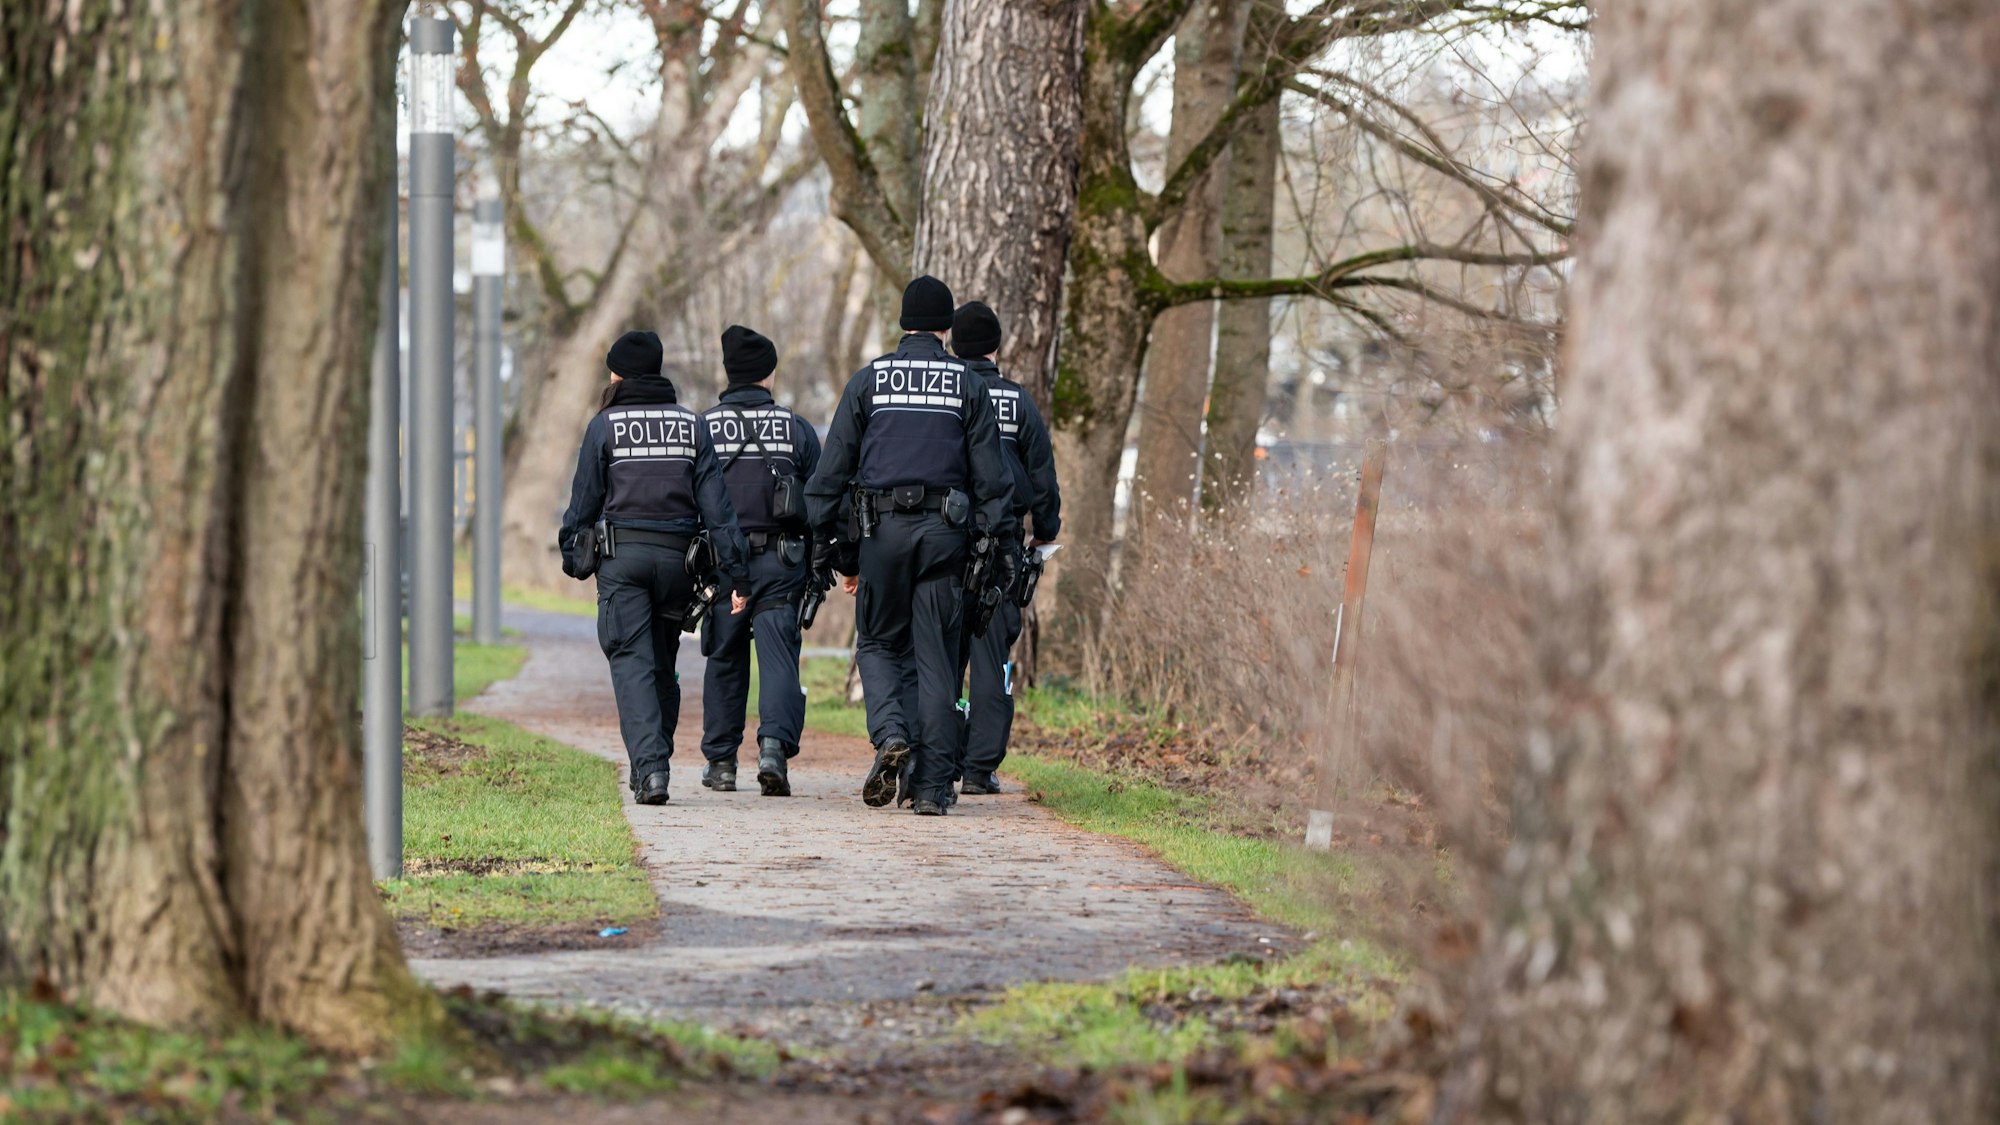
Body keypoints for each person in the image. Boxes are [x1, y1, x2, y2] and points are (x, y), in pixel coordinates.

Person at [805, 276, 1016, 816]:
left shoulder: (868, 381)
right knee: (937, 663)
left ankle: (891, 734)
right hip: (946, 537)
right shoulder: (967, 384)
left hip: (882, 536)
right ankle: (929, 789)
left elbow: (830, 476)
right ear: (946, 326)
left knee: (876, 645)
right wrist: (984, 544)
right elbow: (994, 482)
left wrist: (833, 548)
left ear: (904, 323)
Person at [558, 330, 749, 806]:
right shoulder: (691, 426)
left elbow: (584, 501)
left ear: (617, 374)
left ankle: (651, 768)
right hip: (679, 563)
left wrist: (571, 552)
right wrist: (736, 573)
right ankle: (656, 755)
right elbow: (719, 510)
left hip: (623, 561)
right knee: (663, 662)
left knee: (631, 660)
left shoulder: (604, 426)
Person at [697, 326, 822, 797]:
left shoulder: (703, 426)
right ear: (769, 374)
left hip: (723, 567)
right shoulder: (796, 428)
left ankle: (722, 763)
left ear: (730, 374)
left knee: (724, 657)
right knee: (778, 657)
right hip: (782, 563)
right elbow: (823, 499)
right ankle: (773, 750)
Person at [949, 301, 1061, 796]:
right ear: (996, 347)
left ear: (952, 344)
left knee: (938, 652)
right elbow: (1043, 477)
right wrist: (1046, 531)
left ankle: (939, 755)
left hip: (945, 536)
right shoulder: (1018, 401)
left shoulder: (943, 393)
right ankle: (979, 767)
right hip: (1003, 543)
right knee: (991, 654)